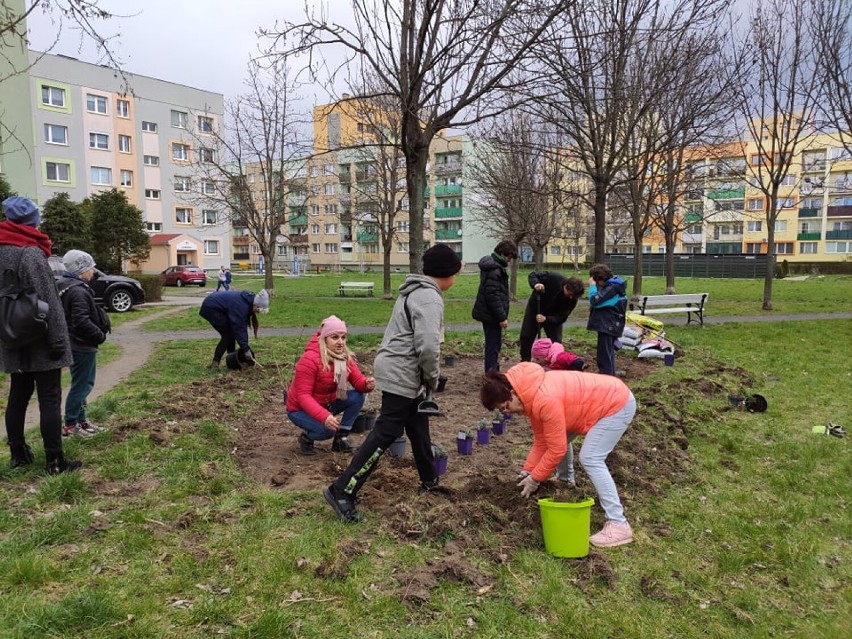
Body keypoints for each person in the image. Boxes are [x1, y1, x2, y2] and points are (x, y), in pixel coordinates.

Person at [324, 244, 462, 523]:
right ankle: (342, 490)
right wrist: (433, 379)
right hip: (403, 372)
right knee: (386, 432)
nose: (456, 278)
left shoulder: (416, 290)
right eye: (456, 273)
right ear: (446, 274)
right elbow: (427, 346)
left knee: (418, 427)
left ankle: (429, 480)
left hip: (401, 370)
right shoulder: (429, 298)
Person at [480, 362, 636, 547]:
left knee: (590, 458)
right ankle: (564, 480)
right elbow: (543, 441)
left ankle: (619, 524)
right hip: (593, 404)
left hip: (615, 404)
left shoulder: (544, 399)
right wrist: (527, 471)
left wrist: (535, 478)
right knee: (555, 437)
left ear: (513, 393)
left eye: (505, 407)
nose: (507, 413)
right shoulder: (529, 395)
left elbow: (556, 450)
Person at [0, 196, 81, 474]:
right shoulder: (30, 252)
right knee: (49, 397)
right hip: (39, 335)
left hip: (10, 334)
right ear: (30, 220)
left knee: (18, 395)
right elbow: (50, 302)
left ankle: (18, 455)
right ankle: (55, 461)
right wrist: (58, 340)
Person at [286, 315, 376, 455]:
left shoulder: (343, 357)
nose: (340, 342)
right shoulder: (309, 360)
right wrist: (325, 416)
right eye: (335, 337)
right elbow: (303, 396)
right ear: (324, 339)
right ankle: (307, 438)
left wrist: (367, 384)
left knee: (358, 396)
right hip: (299, 409)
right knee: (326, 431)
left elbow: (358, 382)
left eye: (343, 337)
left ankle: (341, 439)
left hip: (326, 403)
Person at [56, 249, 110, 438]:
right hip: (81, 345)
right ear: (81, 269)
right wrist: (99, 335)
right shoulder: (77, 290)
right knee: (82, 385)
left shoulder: (64, 285)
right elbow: (80, 321)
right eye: (90, 267)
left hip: (73, 343)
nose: (93, 271)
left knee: (81, 383)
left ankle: (81, 421)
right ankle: (71, 425)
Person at [472, 239, 517, 372]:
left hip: (489, 314)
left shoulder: (493, 266)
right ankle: (491, 376)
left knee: (494, 344)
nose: (509, 260)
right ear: (503, 253)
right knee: (493, 346)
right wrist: (502, 317)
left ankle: (492, 372)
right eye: (509, 257)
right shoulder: (495, 270)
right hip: (491, 315)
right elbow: (493, 296)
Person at [519, 271, 584, 362]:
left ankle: (556, 361)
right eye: (570, 294)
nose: (571, 297)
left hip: (553, 317)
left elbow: (562, 317)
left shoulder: (572, 299)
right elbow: (533, 274)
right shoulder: (554, 278)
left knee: (556, 341)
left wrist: (547, 319)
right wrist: (536, 284)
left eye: (573, 296)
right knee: (526, 335)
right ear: (566, 286)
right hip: (535, 309)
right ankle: (525, 360)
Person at [199, 288, 269, 367]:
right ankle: (215, 363)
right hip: (211, 308)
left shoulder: (247, 300)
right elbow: (239, 328)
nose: (257, 312)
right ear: (256, 305)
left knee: (231, 334)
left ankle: (231, 358)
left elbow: (240, 327)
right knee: (228, 336)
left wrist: (245, 347)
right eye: (258, 310)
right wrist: (246, 349)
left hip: (215, 305)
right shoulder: (241, 306)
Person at [587, 263, 628, 376]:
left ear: (600, 279)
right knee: (607, 354)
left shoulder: (612, 288)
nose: (598, 287)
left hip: (608, 326)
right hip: (610, 324)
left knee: (604, 356)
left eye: (597, 283)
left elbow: (594, 300)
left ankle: (607, 379)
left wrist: (592, 286)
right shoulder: (614, 286)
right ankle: (610, 377)